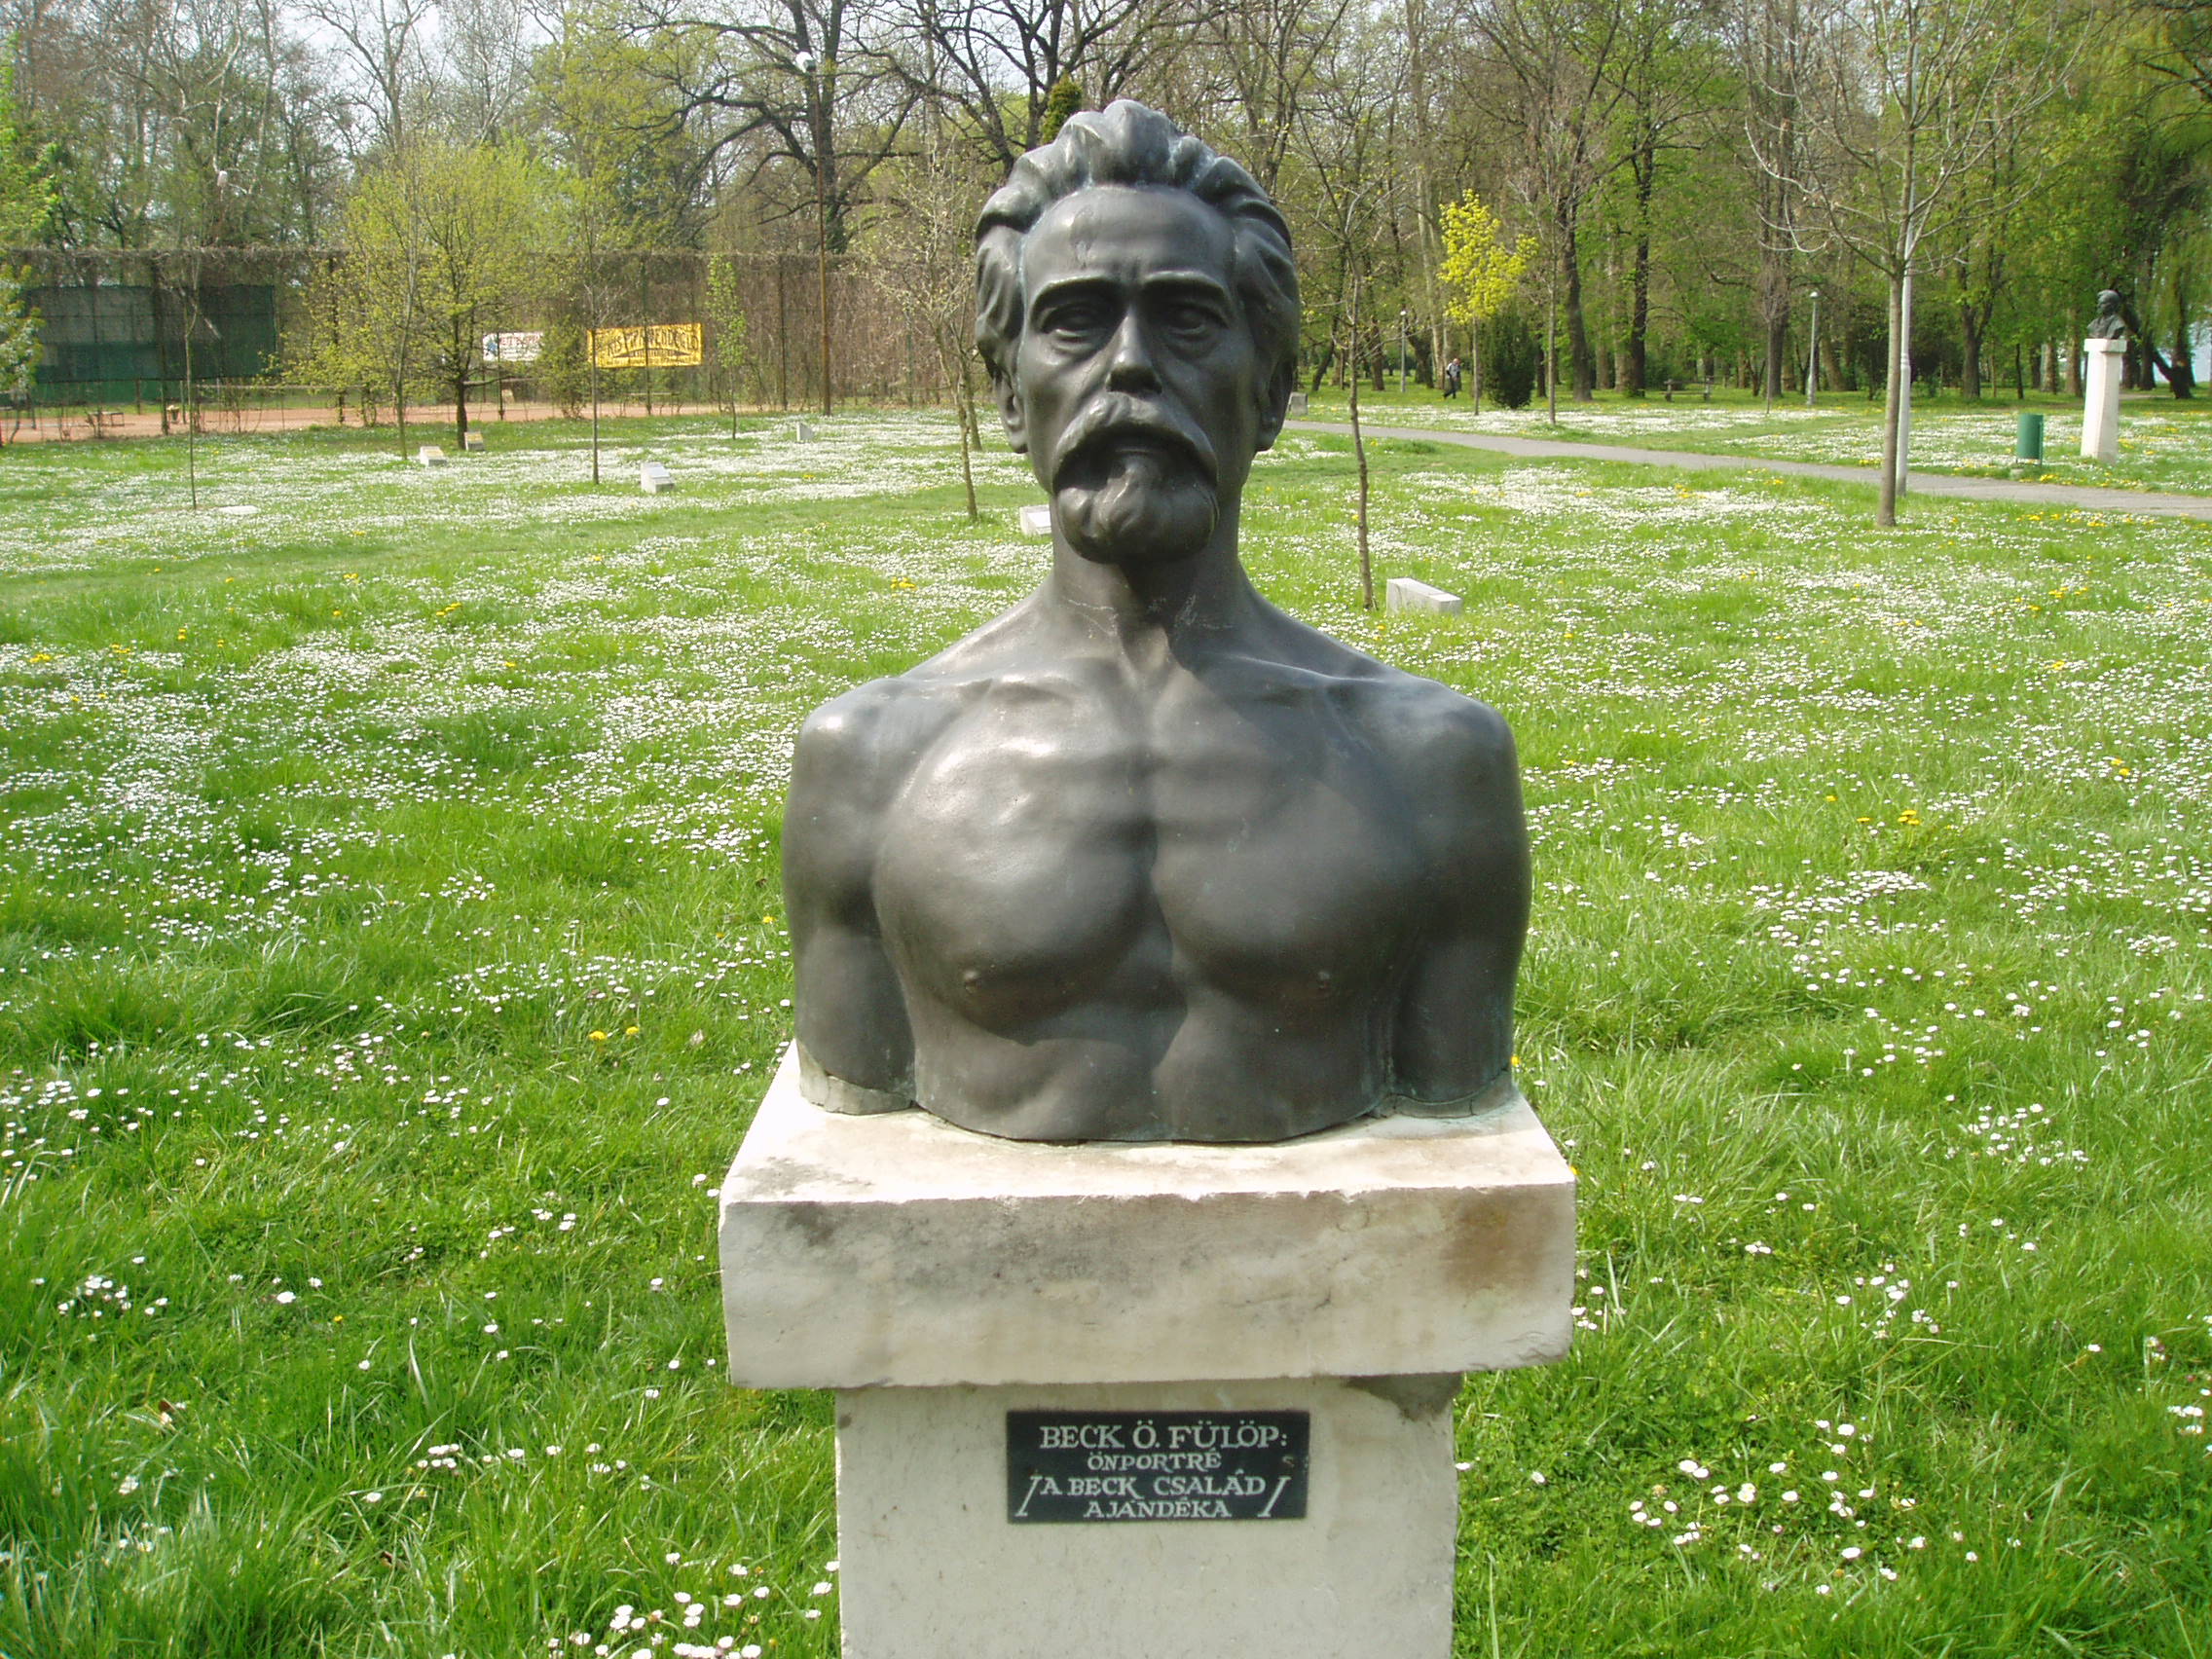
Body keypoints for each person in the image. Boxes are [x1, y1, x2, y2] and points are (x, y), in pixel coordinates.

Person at [782, 101, 1529, 1143]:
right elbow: (848, 1153)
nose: (1130, 364)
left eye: (1187, 320)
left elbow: (1458, 1160)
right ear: (1010, 396)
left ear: (1270, 391)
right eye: (1075, 320)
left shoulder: (1432, 765)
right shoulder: (868, 763)